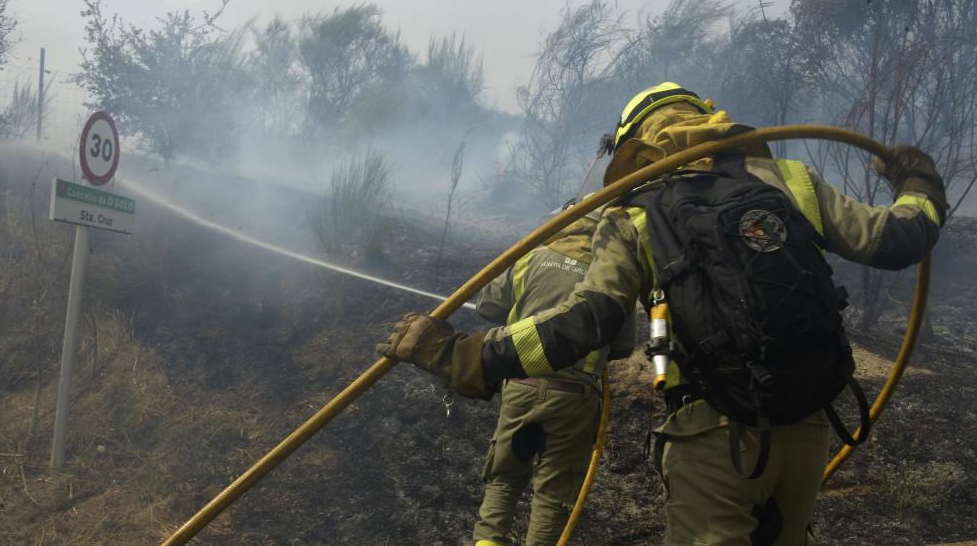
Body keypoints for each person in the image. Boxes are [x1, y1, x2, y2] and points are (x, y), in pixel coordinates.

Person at [378, 82, 947, 545]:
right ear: (713, 124)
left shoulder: (636, 215)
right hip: (811, 423)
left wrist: (460, 354)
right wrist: (917, 179)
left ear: (638, 152)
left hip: (713, 434)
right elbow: (901, 237)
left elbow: (586, 323)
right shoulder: (791, 181)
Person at [472, 207, 635, 546]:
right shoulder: (614, 273)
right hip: (574, 398)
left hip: (520, 386)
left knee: (503, 482)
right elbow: (622, 345)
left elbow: (487, 306)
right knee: (553, 496)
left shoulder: (532, 256)